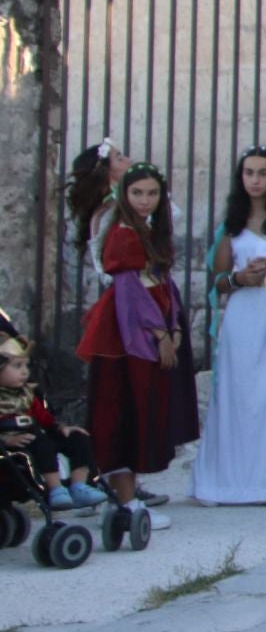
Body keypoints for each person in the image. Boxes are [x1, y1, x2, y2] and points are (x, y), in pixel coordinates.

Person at [76, 162, 197, 536]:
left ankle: (126, 497)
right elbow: (130, 291)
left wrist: (174, 324)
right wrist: (160, 333)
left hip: (151, 329)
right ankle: (124, 500)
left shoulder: (150, 231)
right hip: (125, 340)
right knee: (121, 413)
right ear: (124, 196)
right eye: (137, 193)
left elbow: (164, 285)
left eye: (152, 193)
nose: (145, 201)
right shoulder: (123, 234)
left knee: (140, 413)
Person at [193, 147, 266, 506]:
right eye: (249, 173)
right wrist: (240, 278)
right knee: (235, 398)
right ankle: (222, 483)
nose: (255, 180)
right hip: (242, 317)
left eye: (263, 173)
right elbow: (219, 280)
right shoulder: (231, 225)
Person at [0, 331, 108, 511]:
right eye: (17, 366)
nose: (25, 372)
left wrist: (61, 428)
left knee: (78, 439)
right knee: (42, 443)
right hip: (11, 444)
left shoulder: (27, 394)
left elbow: (44, 418)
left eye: (26, 366)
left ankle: (79, 486)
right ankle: (55, 489)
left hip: (34, 436)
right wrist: (5, 440)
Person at [64, 138, 131, 309]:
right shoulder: (107, 213)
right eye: (119, 157)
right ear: (108, 173)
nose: (128, 160)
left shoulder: (130, 204)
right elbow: (102, 264)